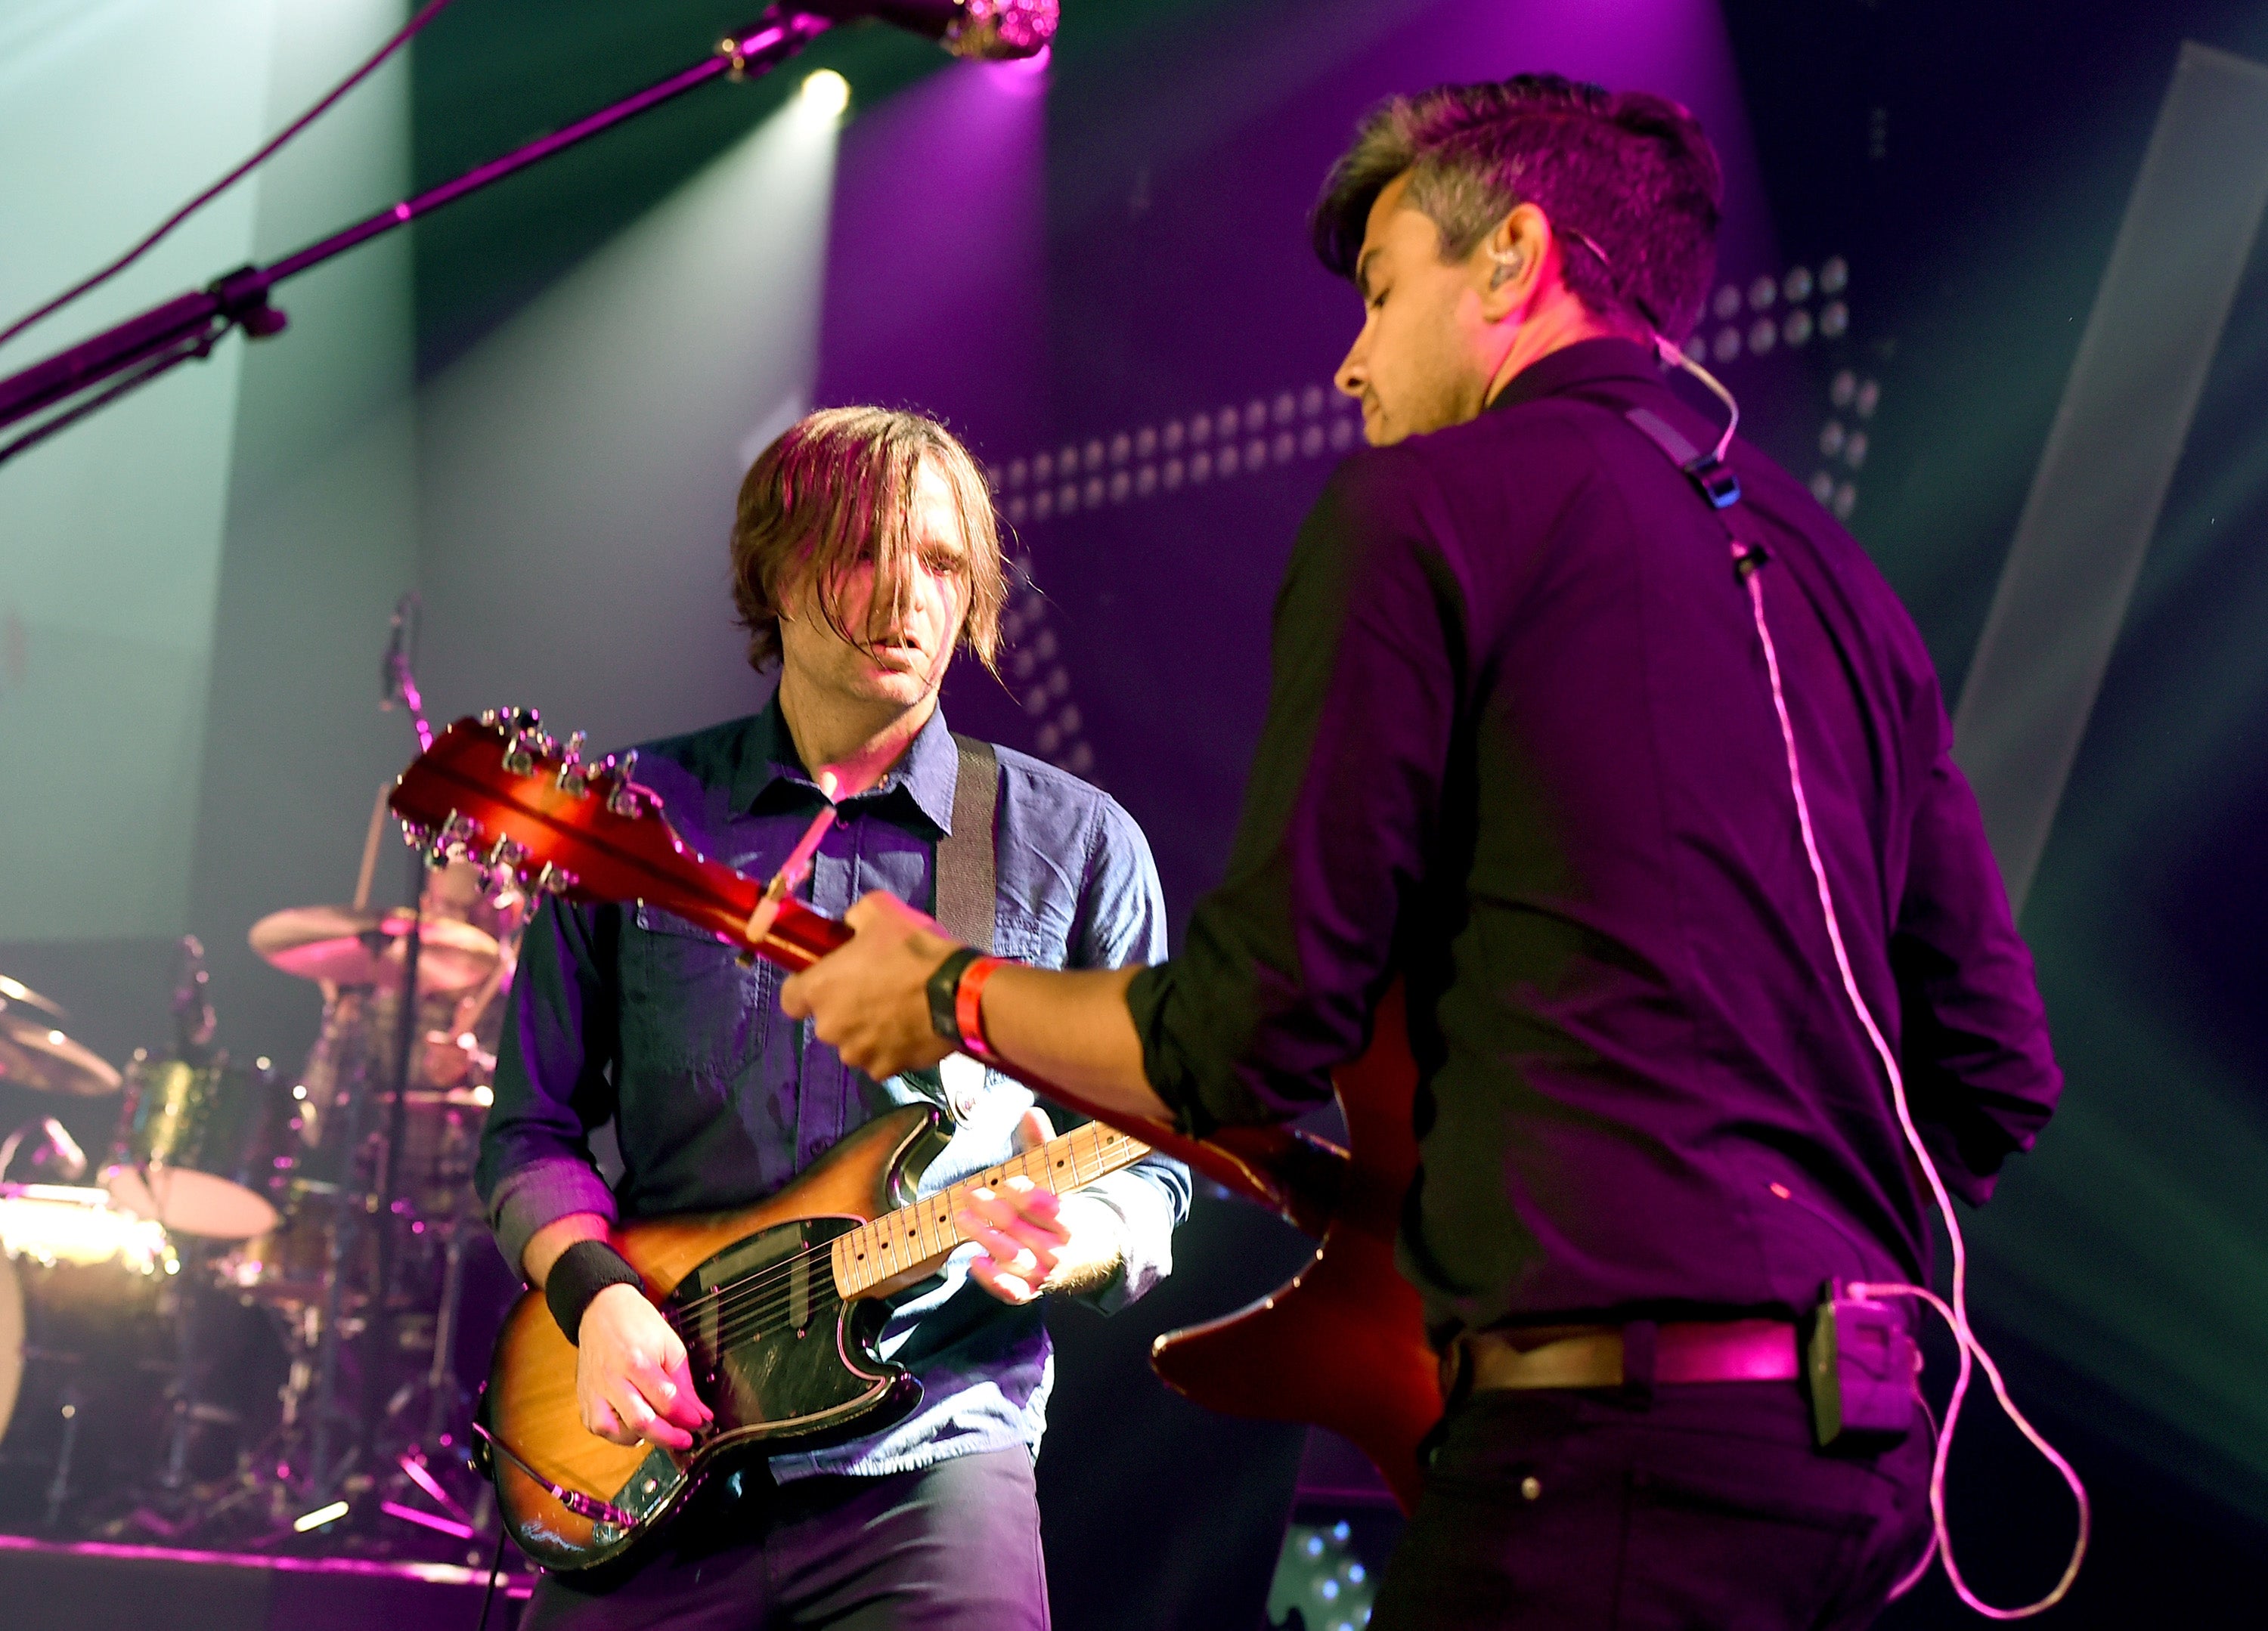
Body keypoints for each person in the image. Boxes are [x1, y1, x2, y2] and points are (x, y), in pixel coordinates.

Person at [778, 76, 2065, 1629]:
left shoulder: (1425, 506)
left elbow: (1250, 1035)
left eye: (1385, 294)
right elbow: (1994, 1077)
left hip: (1607, 1449)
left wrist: (950, 991)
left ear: (1514, 259)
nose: (1350, 357)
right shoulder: (1840, 578)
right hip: (1859, 1465)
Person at [476, 405, 1190, 1629]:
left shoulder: (1073, 843)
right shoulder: (639, 818)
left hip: (930, 1446)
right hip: (650, 1459)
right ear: (774, 566)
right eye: (863, 549)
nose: (905, 594)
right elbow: (527, 1132)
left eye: (942, 561)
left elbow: (1165, 1140)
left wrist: (1085, 1234)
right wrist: (597, 1300)